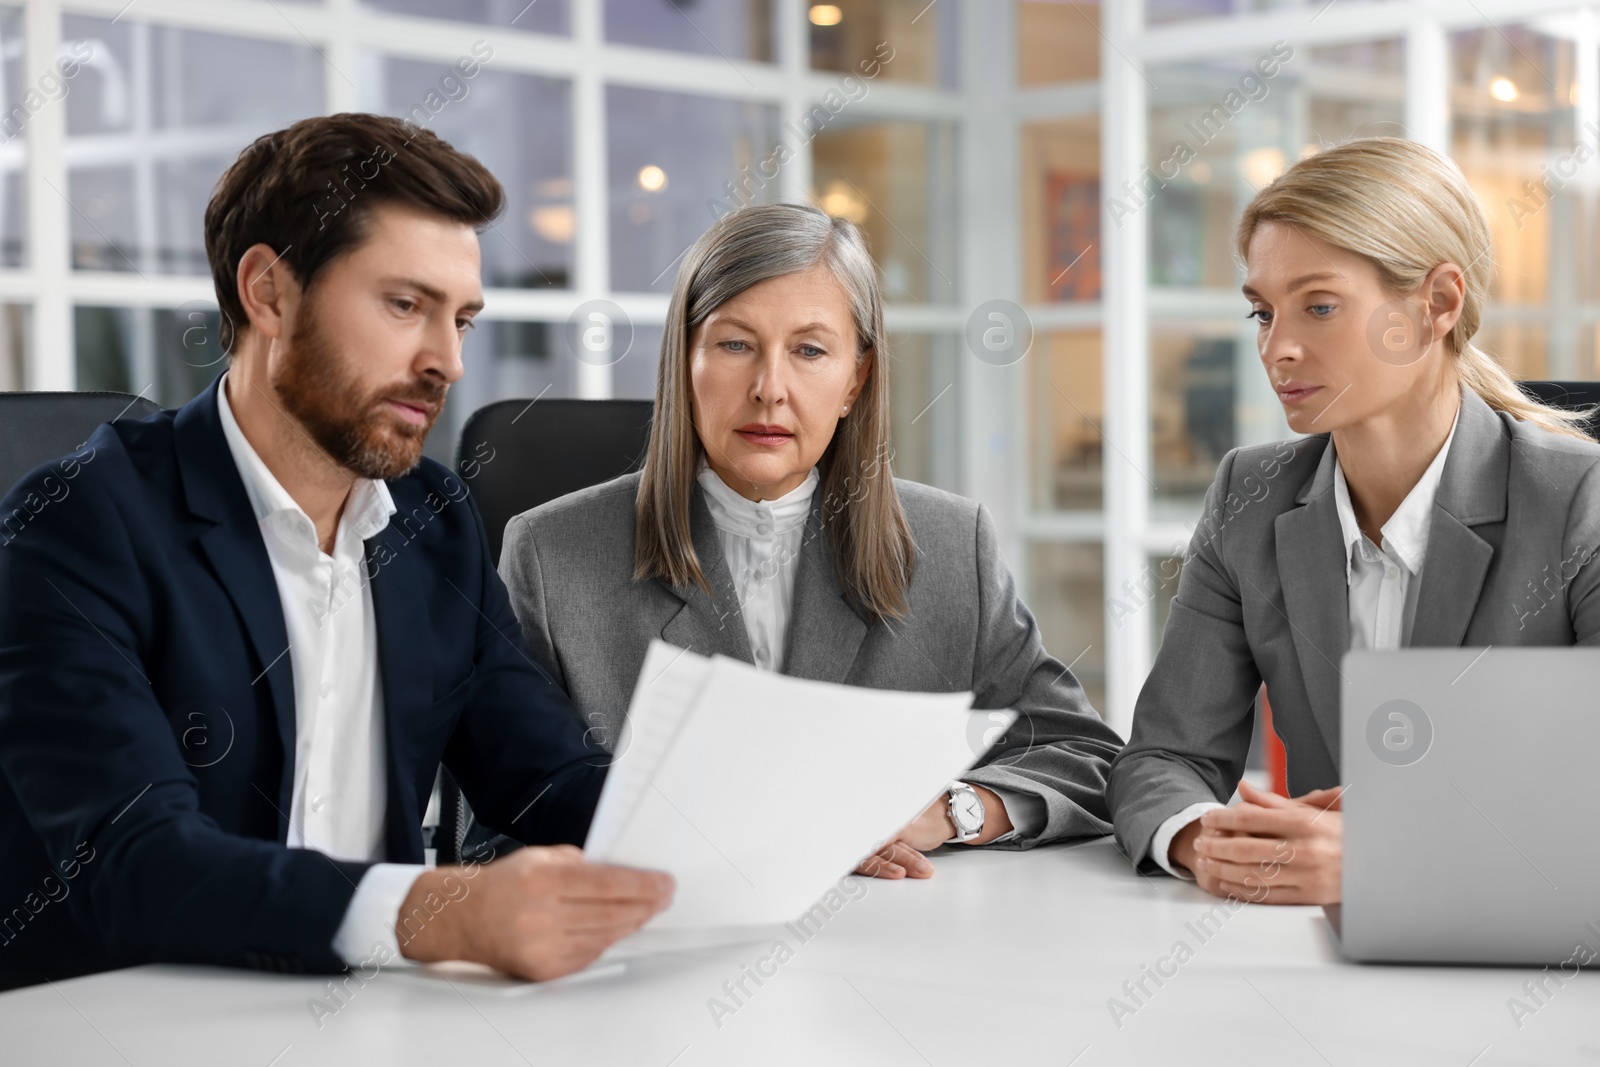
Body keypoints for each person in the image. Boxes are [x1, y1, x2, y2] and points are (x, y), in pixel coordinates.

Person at [0, 113, 671, 992]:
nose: (447, 361)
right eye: (405, 305)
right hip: (131, 1022)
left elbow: (547, 776)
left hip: (374, 1021)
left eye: (462, 319)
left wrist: (765, 831)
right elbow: (140, 865)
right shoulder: (77, 523)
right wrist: (442, 911)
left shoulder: (434, 522)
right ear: (269, 293)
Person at [496, 203, 1123, 878]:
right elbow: (495, 831)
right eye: (735, 344)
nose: (770, 389)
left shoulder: (949, 544)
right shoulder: (549, 555)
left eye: (810, 350)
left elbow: (1088, 758)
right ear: (684, 361)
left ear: (856, 379)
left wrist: (947, 811)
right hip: (656, 946)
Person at [1108, 137, 1600, 904]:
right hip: (1319, 959)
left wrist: (1387, 859)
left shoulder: (1578, 503)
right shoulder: (1250, 493)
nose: (1278, 348)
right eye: (1262, 313)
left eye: (1321, 306)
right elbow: (1163, 755)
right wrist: (1206, 837)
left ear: (1437, 303)